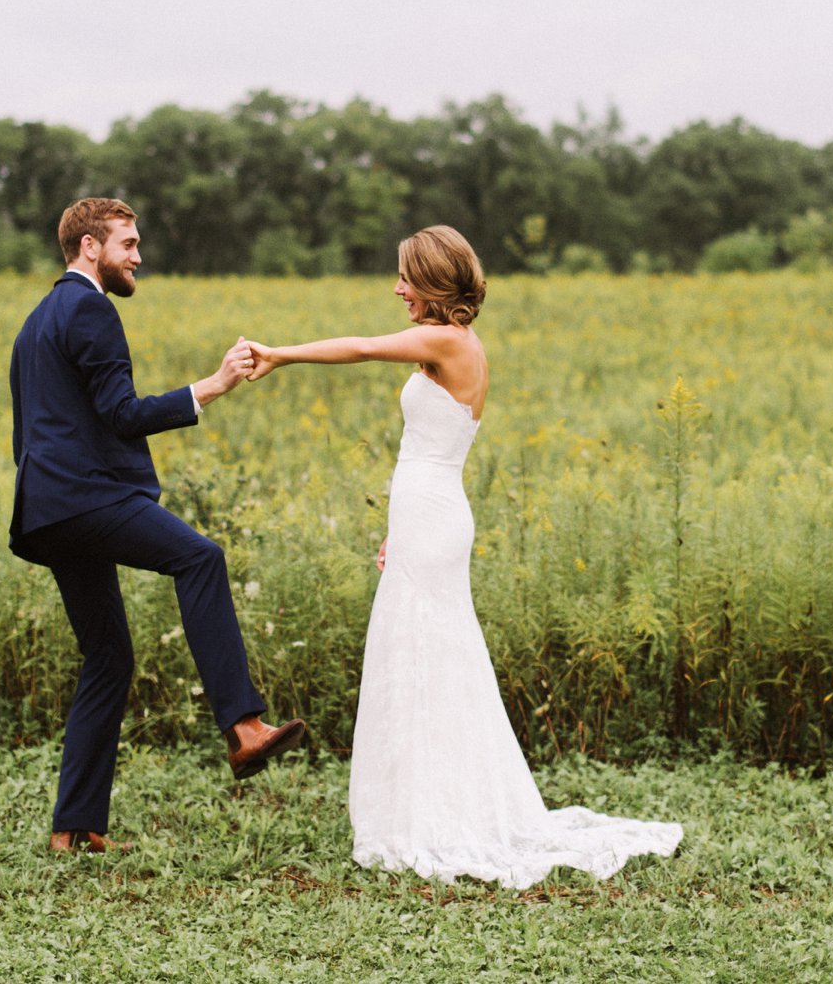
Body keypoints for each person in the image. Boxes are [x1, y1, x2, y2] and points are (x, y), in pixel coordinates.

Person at [246, 225, 681, 887]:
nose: (396, 288)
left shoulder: (447, 341)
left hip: (435, 515)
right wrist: (398, 526)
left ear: (433, 283)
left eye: (404, 278)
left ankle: (433, 816)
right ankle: (425, 805)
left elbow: (362, 347)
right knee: (424, 654)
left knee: (425, 653)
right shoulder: (455, 344)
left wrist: (279, 353)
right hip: (428, 514)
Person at [9, 197, 306, 855]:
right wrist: (214, 385)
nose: (139, 255)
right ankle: (244, 726)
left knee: (109, 657)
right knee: (199, 557)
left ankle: (75, 827)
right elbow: (120, 413)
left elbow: (33, 428)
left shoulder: (35, 322)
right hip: (87, 498)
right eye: (129, 243)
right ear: (90, 247)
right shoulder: (90, 307)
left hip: (46, 509)